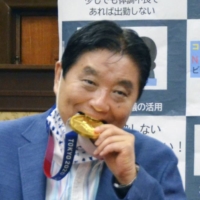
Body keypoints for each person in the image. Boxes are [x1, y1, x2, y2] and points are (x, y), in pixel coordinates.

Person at [0, 20, 186, 200]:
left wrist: (131, 180)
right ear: (58, 76)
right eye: (89, 82)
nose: (100, 104)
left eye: (119, 92)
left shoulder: (157, 160)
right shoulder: (4, 142)